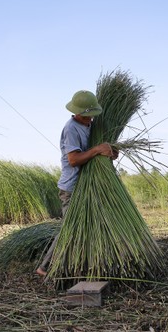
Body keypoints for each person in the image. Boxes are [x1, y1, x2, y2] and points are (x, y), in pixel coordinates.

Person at [36, 90, 116, 276]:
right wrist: (97, 149)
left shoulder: (90, 126)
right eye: (88, 116)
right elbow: (73, 160)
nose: (91, 119)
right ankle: (45, 267)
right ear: (78, 113)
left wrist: (109, 153)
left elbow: (95, 154)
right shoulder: (71, 128)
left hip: (88, 186)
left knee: (91, 226)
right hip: (71, 188)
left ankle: (85, 264)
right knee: (70, 228)